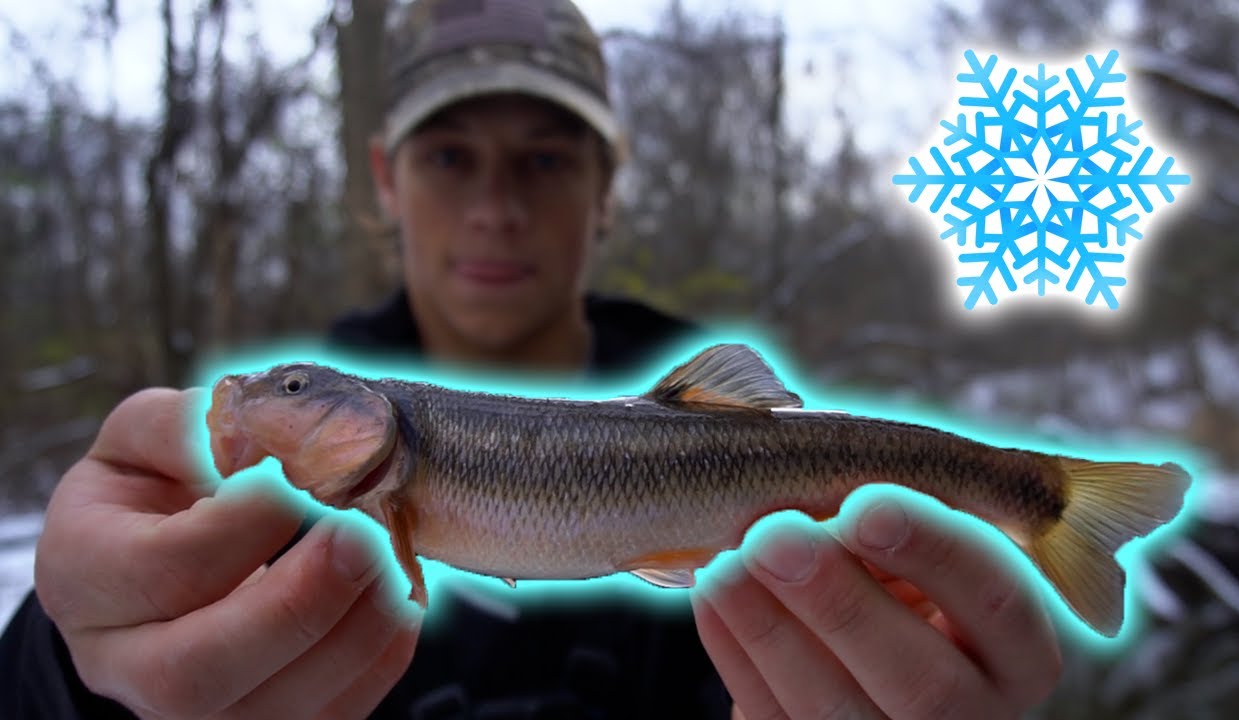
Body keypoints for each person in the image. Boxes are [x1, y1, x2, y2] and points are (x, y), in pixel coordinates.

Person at [0, 1, 1063, 718]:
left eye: (544, 159)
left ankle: (1041, 499)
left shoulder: (685, 389)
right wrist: (73, 660)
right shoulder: (248, 486)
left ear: (607, 185)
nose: (495, 208)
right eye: (450, 155)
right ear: (383, 177)